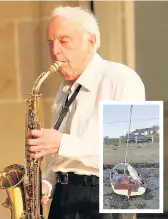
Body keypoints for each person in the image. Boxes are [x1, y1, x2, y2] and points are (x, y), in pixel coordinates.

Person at [27, 6, 145, 219]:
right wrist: (47, 183)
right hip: (63, 199)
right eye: (50, 43)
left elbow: (133, 158)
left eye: (64, 41)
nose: (55, 51)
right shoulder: (64, 90)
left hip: (103, 199)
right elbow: (65, 158)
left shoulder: (122, 79)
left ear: (90, 41)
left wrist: (62, 143)